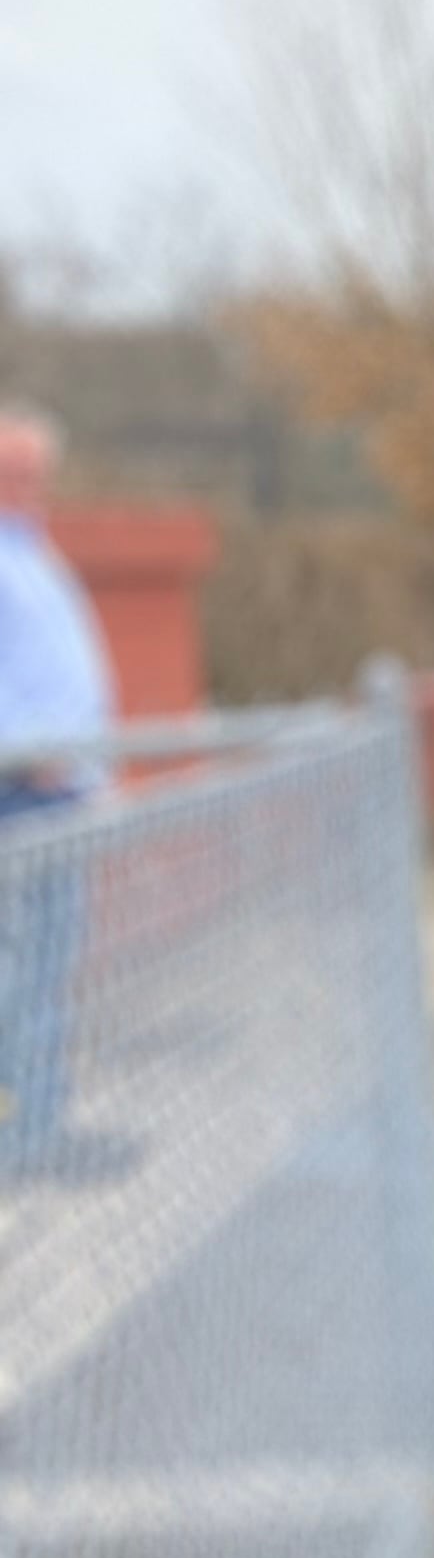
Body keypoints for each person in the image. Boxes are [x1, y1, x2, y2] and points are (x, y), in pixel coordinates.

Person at [0, 405, 117, 1178]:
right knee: (25, 971)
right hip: (21, 795)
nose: (30, 483)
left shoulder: (33, 550)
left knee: (47, 968)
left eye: (36, 470)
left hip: (62, 790)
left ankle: (43, 1126)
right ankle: (27, 1135)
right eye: (16, 470)